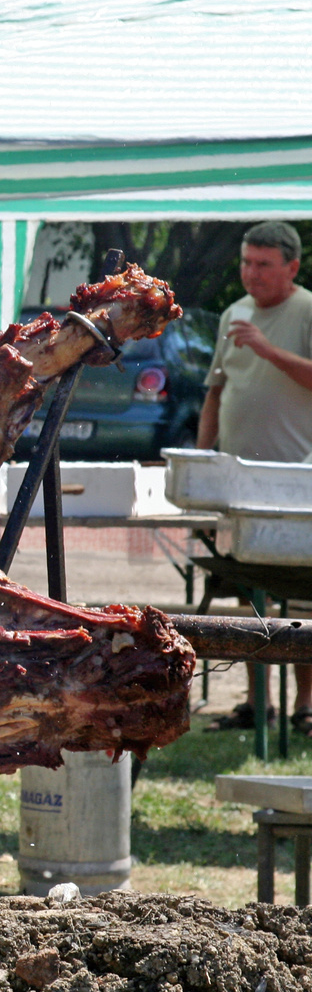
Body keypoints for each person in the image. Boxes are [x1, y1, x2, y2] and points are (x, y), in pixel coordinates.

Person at [198, 220, 312, 735]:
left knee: (302, 598)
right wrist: (201, 459)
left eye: (263, 264)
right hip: (237, 482)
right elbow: (216, 393)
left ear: (292, 266)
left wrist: (268, 350)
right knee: (249, 594)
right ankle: (256, 702)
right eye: (246, 262)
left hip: (298, 482)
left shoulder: (307, 310)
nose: (251, 273)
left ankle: (306, 704)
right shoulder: (233, 313)